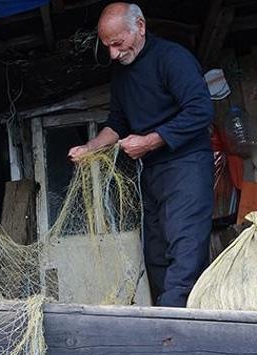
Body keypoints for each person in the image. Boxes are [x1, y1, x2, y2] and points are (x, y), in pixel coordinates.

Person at [68, 3, 214, 307]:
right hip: (152, 172)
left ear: (141, 27)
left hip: (187, 166)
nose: (113, 54)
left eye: (118, 43)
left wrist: (149, 141)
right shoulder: (121, 76)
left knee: (185, 248)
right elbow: (117, 125)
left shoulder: (172, 58)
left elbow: (201, 110)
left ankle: (183, 326)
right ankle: (163, 320)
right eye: (107, 46)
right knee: (156, 253)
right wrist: (90, 148)